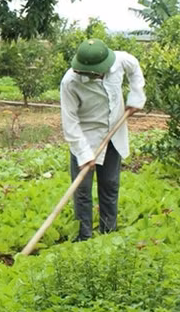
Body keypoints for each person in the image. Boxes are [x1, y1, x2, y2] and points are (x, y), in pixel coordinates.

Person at [59, 38, 146, 241]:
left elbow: (135, 69)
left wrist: (136, 97)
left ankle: (108, 233)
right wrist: (83, 153)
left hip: (114, 134)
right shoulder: (70, 82)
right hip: (85, 136)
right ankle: (84, 237)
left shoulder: (120, 60)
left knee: (110, 185)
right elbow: (70, 122)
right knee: (82, 191)